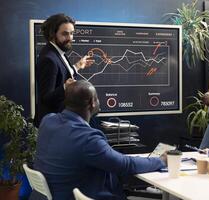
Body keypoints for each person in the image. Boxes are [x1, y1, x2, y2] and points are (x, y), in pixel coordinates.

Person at [33, 80, 166, 199]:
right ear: (92, 103)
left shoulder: (47, 121)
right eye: (97, 98)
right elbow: (125, 165)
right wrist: (160, 161)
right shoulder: (88, 139)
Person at [34, 13, 94, 127]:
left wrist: (77, 66)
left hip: (59, 123)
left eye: (72, 33)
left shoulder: (58, 52)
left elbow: (60, 74)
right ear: (53, 34)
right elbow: (46, 98)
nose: (70, 38)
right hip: (53, 125)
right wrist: (65, 87)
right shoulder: (49, 59)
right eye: (65, 34)